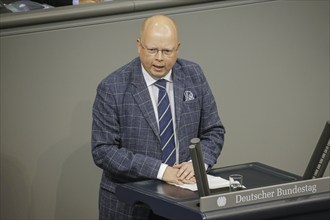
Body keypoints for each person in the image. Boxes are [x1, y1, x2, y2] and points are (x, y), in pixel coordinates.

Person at [91, 15, 225, 220]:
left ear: (178, 49)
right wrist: (162, 171)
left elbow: (213, 130)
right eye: (152, 50)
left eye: (167, 51)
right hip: (130, 205)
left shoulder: (193, 75)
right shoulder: (113, 87)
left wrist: (199, 164)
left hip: (185, 201)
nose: (160, 58)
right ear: (139, 46)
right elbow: (104, 151)